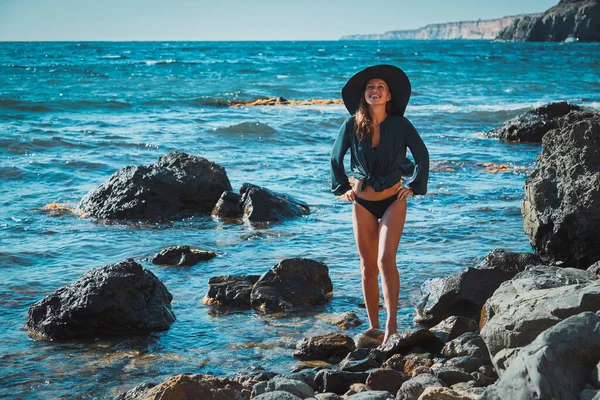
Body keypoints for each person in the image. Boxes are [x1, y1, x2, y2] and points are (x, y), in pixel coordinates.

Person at [330, 64, 429, 345]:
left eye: (380, 88)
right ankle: (373, 328)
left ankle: (392, 325)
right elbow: (335, 159)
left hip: (392, 201)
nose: (375, 91)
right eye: (370, 88)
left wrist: (414, 187)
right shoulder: (351, 125)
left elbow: (422, 155)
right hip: (361, 202)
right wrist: (341, 189)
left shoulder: (400, 125)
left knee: (386, 261)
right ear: (364, 94)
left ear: (388, 96)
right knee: (367, 267)